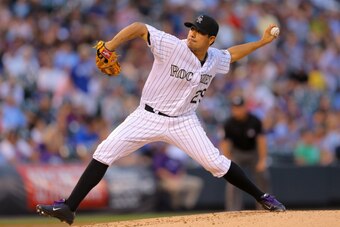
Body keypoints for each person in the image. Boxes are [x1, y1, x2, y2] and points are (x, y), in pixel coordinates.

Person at [36, 15, 286, 225]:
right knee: (105, 151)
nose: (193, 34)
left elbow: (232, 54)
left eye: (200, 32)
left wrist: (262, 42)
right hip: (147, 116)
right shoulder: (172, 45)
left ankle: (263, 197)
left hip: (183, 121)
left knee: (215, 163)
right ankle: (69, 207)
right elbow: (138, 27)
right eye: (192, 28)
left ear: (211, 40)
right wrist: (110, 46)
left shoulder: (214, 58)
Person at [220, 96, 270, 211]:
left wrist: (262, 160)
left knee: (262, 177)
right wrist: (228, 160)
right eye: (235, 108)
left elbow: (261, 141)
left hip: (253, 152)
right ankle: (233, 210)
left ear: (245, 107)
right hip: (237, 153)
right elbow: (225, 143)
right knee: (232, 179)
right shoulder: (229, 123)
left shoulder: (254, 120)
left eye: (239, 107)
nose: (237, 110)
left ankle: (265, 206)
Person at [152, 142, 203, 211]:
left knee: (196, 183)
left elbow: (181, 169)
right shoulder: (159, 157)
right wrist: (172, 177)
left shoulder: (173, 156)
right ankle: (176, 208)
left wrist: (179, 177)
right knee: (175, 187)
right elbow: (160, 172)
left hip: (179, 178)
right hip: (165, 180)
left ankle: (187, 207)